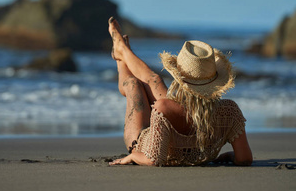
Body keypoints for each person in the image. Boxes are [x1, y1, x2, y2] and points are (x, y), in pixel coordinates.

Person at [107, 17, 252, 167]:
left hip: (141, 145)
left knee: (133, 84)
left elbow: (153, 159)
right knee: (154, 79)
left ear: (179, 79)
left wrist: (132, 157)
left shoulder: (164, 108)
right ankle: (122, 50)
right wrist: (229, 155)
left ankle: (120, 59)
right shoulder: (230, 111)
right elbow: (245, 158)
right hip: (172, 126)